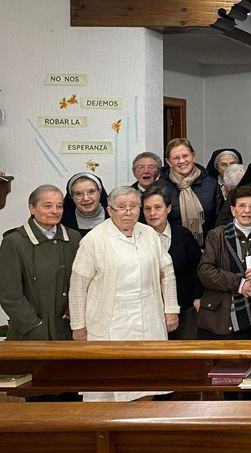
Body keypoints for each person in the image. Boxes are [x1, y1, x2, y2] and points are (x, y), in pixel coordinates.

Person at [70, 186, 179, 402]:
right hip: (109, 320)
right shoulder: (94, 240)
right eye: (121, 207)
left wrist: (171, 309)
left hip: (149, 315)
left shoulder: (148, 233)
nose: (128, 212)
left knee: (147, 383)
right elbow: (78, 285)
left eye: (133, 206)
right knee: (109, 384)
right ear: (110, 210)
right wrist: (78, 326)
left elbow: (167, 272)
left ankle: (142, 430)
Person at [197, 185, 251, 340]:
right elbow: (205, 271)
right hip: (223, 316)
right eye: (241, 206)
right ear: (233, 210)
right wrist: (239, 283)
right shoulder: (217, 235)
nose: (247, 211)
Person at [0, 185, 81, 340]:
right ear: (31, 208)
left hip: (67, 332)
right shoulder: (14, 241)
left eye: (59, 206)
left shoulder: (74, 238)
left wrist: (74, 311)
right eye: (47, 206)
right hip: (30, 334)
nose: (55, 211)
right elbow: (9, 295)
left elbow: (81, 282)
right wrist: (34, 326)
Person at [142, 186, 204, 340]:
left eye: (158, 207)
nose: (152, 213)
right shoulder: (136, 238)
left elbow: (197, 268)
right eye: (147, 208)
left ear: (168, 208)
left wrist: (198, 297)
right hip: (147, 312)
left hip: (184, 308)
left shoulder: (183, 235)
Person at [155, 137, 219, 246]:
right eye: (176, 158)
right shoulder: (160, 187)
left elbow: (220, 217)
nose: (182, 161)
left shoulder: (211, 183)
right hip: (173, 246)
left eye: (185, 156)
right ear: (168, 162)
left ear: (193, 156)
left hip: (208, 247)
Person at [60, 172, 109, 236]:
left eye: (91, 192)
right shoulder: (62, 223)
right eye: (79, 194)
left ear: (99, 193)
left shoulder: (115, 218)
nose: (86, 198)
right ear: (72, 197)